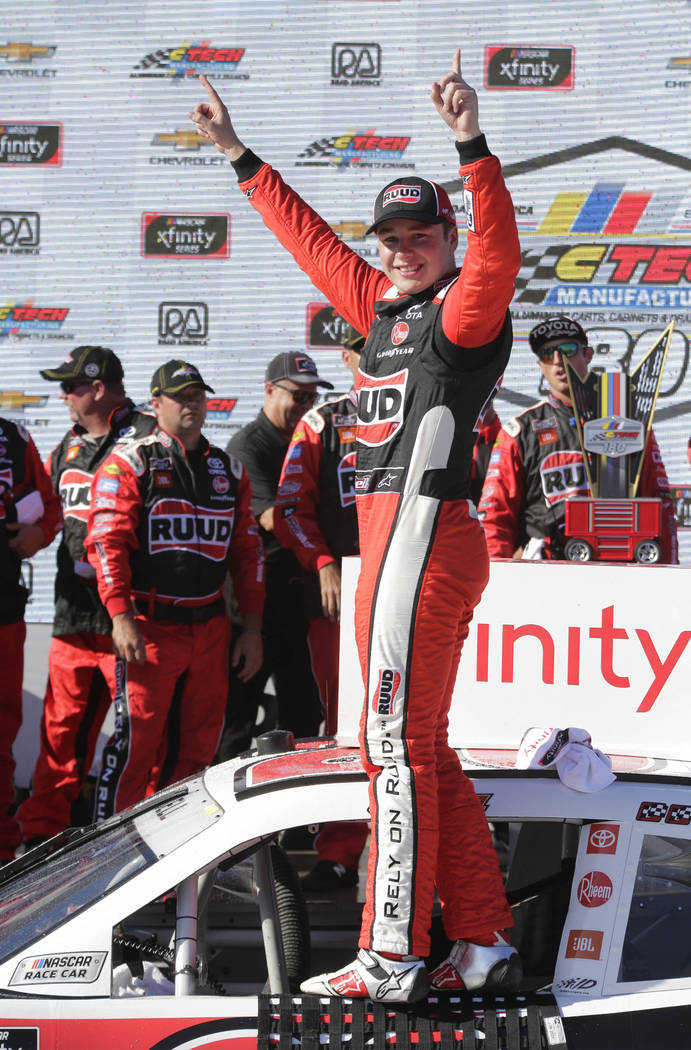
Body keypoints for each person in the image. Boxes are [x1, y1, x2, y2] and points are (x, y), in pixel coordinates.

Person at [189, 47, 521, 1003]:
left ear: (447, 236)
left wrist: (471, 142)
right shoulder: (377, 311)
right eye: (389, 234)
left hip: (423, 545)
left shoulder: (461, 312)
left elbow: (497, 250)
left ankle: (390, 952)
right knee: (423, 749)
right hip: (390, 555)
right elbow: (310, 245)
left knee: (391, 751)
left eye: (419, 232)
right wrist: (240, 156)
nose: (399, 246)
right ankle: (486, 939)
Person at [84, 360, 264, 818]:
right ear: (156, 404)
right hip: (149, 627)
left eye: (198, 395)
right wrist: (121, 615)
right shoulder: (130, 461)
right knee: (136, 749)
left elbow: (248, 555)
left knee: (198, 751)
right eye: (181, 396)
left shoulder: (230, 470)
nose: (192, 404)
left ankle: (177, 864)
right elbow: (106, 543)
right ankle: (111, 859)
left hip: (211, 628)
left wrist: (252, 628)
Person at [17, 346, 155, 848]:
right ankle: (38, 842)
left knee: (136, 743)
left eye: (71, 387)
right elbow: (48, 512)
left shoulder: (147, 438)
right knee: (59, 738)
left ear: (98, 389)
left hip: (133, 619)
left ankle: (137, 851)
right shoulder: (67, 448)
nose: (63, 396)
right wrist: (30, 534)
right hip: (72, 615)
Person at [273, 325, 369, 891]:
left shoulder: (426, 411)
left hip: (412, 592)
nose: (371, 356)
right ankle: (339, 853)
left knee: (423, 728)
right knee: (346, 726)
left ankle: (417, 857)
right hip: (340, 600)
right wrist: (322, 563)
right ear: (349, 355)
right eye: (362, 347)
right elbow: (289, 507)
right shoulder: (322, 421)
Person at [477, 315, 678, 562]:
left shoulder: (631, 422)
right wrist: (501, 581)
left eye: (568, 349)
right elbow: (494, 520)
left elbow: (662, 509)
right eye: (548, 353)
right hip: (547, 572)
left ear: (588, 355)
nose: (558, 360)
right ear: (540, 364)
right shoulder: (520, 431)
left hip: (621, 568)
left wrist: (669, 575)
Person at [225, 351, 333, 745]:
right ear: (269, 390)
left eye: (312, 398)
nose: (305, 406)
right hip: (254, 609)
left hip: (297, 607)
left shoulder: (312, 442)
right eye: (298, 396)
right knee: (236, 720)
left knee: (305, 714)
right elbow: (276, 518)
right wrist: (325, 555)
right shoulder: (248, 446)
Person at [0, 419, 61, 862]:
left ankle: (2, 849)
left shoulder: (13, 436)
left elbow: (51, 505)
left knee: (1, 731)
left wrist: (40, 533)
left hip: (2, 608)